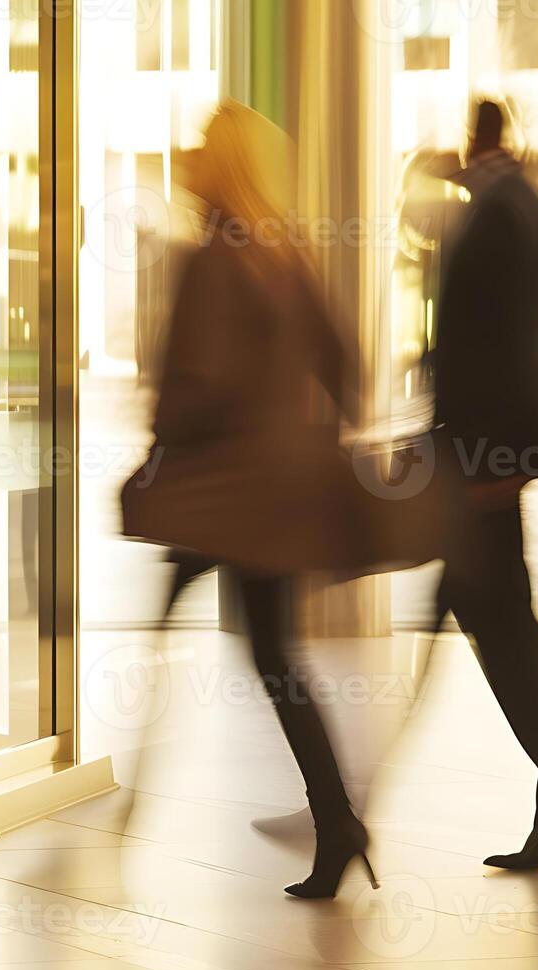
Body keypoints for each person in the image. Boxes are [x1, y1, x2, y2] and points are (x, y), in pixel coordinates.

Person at [121, 101, 376, 899]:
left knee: (249, 649)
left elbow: (194, 385)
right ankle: (335, 822)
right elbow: (348, 368)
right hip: (273, 497)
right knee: (272, 655)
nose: (186, 151)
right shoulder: (282, 250)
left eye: (199, 143)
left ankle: (131, 803)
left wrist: (157, 454)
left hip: (224, 494)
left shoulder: (213, 257)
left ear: (222, 161)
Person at [429, 98, 538, 869]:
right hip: (492, 452)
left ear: (474, 142)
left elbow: (484, 343)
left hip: (485, 455)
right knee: (503, 617)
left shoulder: (496, 213)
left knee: (497, 619)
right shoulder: (523, 201)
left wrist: (481, 468)